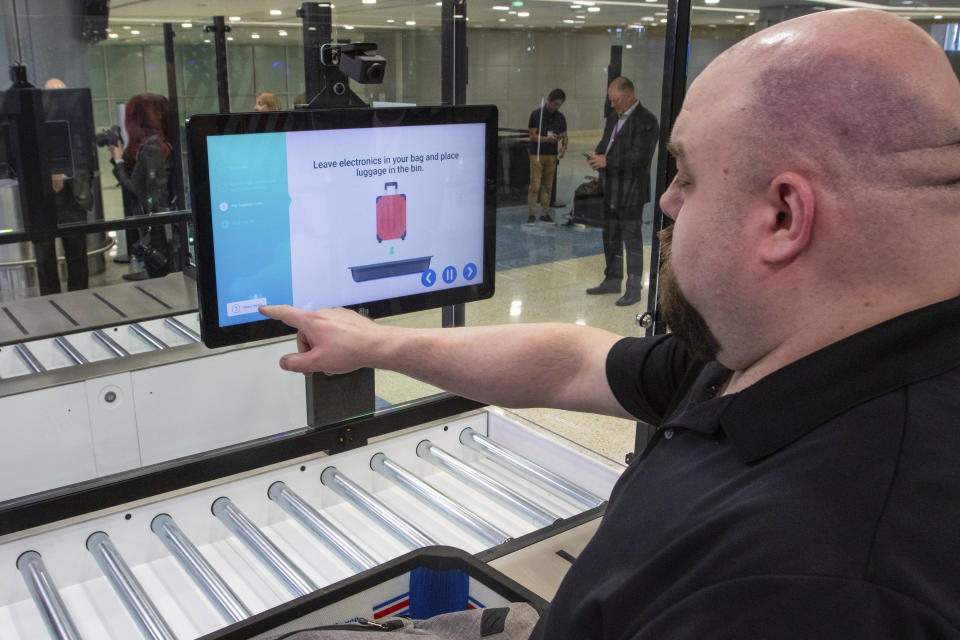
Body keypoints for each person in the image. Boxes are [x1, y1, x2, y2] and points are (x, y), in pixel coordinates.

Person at [260, 8, 960, 637]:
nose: (666, 199)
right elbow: (574, 361)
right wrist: (373, 342)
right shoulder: (795, 345)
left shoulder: (817, 585)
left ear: (782, 216)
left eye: (685, 175)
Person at [585, 77, 659, 307]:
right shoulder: (613, 118)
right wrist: (597, 156)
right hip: (610, 189)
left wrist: (608, 161)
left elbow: (640, 157)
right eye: (611, 100)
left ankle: (634, 288)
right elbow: (606, 143)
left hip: (631, 192)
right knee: (610, 237)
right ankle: (612, 279)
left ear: (628, 95)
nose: (613, 104)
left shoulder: (646, 121)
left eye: (615, 100)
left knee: (631, 240)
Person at [108, 93, 174, 280]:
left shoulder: (152, 147)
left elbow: (138, 190)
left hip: (157, 222)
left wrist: (118, 160)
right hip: (163, 218)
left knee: (160, 276)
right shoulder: (164, 142)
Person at [526, 89, 568, 224]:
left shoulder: (561, 117)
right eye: (554, 103)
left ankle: (545, 213)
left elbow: (565, 136)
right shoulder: (536, 114)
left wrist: (563, 147)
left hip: (552, 156)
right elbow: (532, 136)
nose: (556, 107)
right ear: (548, 99)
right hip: (537, 155)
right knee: (535, 185)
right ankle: (531, 214)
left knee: (548, 186)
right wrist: (547, 139)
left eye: (559, 105)